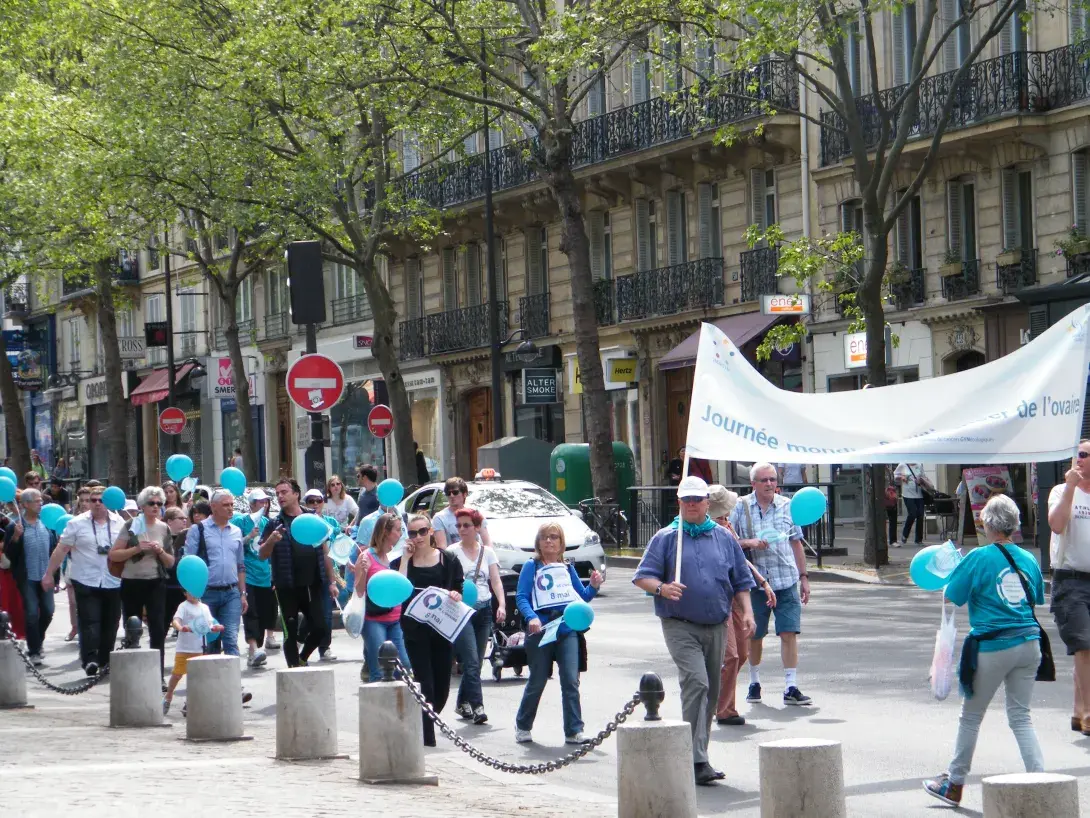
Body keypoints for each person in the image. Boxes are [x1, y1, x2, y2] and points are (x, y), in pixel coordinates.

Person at [923, 494, 1045, 807]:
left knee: (971, 717)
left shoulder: (978, 557)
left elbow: (952, 597)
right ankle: (1044, 781)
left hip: (993, 645)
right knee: (1021, 718)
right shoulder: (1029, 559)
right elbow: (1037, 599)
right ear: (1015, 525)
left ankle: (954, 782)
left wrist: (955, 569)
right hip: (1030, 644)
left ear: (987, 524)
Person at [634, 476, 755, 785]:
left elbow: (741, 579)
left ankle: (699, 753)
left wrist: (748, 614)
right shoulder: (666, 537)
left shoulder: (723, 537)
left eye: (696, 500)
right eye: (685, 500)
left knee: (712, 692)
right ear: (680, 502)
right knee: (697, 683)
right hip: (679, 624)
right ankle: (695, 759)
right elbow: (642, 577)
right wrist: (662, 588)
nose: (691, 504)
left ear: (706, 503)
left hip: (716, 623)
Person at [730, 463, 811, 708]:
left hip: (785, 579)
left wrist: (804, 577)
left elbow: (797, 543)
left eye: (773, 480)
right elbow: (730, 543)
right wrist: (751, 542)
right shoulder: (740, 507)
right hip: (755, 583)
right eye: (764, 480)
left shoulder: (788, 507)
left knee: (789, 632)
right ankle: (754, 683)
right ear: (753, 484)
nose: (769, 484)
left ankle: (790, 686)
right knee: (755, 635)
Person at [515, 522, 603, 746]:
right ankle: (523, 725)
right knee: (537, 679)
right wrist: (531, 617)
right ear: (538, 542)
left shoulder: (567, 567)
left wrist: (593, 585)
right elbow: (522, 596)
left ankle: (574, 730)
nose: (549, 541)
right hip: (541, 630)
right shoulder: (531, 566)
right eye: (544, 537)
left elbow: (581, 598)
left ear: (561, 543)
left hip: (566, 629)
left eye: (554, 537)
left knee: (570, 681)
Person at [706, 484, 776, 727]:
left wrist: (763, 582)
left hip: (737, 596)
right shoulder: (708, 533)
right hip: (718, 600)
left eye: (726, 514)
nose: (726, 518)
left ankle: (717, 696)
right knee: (731, 655)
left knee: (742, 654)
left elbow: (741, 561)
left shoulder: (727, 529)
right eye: (721, 514)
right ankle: (723, 708)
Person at [392, 513, 464, 746]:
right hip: (415, 630)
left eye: (423, 531)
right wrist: (405, 558)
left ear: (431, 531)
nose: (418, 537)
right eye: (413, 533)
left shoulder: (448, 559)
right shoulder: (403, 561)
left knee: (442, 687)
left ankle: (424, 720)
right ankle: (427, 738)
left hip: (442, 629)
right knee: (425, 683)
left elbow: (458, 587)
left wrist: (456, 594)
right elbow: (398, 588)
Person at [42, 486, 123, 676]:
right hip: (85, 580)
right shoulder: (77, 523)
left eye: (100, 500)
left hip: (113, 581)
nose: (96, 503)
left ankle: (105, 660)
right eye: (92, 500)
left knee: (111, 623)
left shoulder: (120, 522)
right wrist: (49, 574)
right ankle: (90, 660)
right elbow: (61, 549)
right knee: (90, 622)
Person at [258, 479, 337, 668]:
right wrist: (271, 541)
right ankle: (294, 668)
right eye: (277, 493)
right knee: (290, 632)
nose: (280, 496)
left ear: (296, 494)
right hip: (287, 586)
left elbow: (326, 552)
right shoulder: (275, 523)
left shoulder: (313, 518)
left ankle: (302, 658)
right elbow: (262, 554)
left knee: (320, 628)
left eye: (284, 492)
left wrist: (332, 581)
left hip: (313, 584)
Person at [447, 506, 506, 724]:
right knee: (471, 662)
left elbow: (495, 580)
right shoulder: (452, 552)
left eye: (466, 525)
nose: (462, 529)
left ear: (477, 528)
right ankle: (478, 706)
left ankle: (462, 702)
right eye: (459, 525)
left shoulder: (487, 552)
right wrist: (452, 592)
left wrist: (502, 604)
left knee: (477, 661)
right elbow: (446, 583)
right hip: (463, 613)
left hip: (484, 610)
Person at [109, 486, 174, 678]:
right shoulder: (132, 525)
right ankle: (132, 675)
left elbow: (171, 562)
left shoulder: (164, 528)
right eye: (151, 503)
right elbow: (114, 554)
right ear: (142, 506)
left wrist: (160, 551)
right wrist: (137, 549)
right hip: (132, 581)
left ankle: (157, 675)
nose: (155, 507)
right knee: (132, 627)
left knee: (158, 628)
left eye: (159, 504)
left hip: (156, 582)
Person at [1048, 440, 1090, 735]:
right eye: (1080, 454)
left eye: (1086, 455)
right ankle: (1089, 711)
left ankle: (1078, 711)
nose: (1082, 459)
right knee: (1084, 645)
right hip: (1071, 578)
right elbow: (1056, 524)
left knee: (1085, 650)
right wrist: (1071, 488)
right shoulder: (1062, 492)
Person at [183, 489, 247, 659]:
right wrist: (192, 595)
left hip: (231, 593)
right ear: (213, 507)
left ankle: (232, 682)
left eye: (232, 504)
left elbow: (241, 565)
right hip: (206, 594)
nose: (230, 508)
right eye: (226, 505)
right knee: (210, 641)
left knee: (231, 639)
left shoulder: (236, 531)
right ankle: (212, 683)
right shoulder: (198, 530)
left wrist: (243, 594)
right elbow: (188, 563)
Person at [351, 512, 412, 681]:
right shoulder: (366, 556)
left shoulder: (392, 555)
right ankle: (378, 706)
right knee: (379, 668)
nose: (401, 534)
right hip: (373, 619)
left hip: (394, 618)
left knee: (404, 665)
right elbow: (359, 591)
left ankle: (397, 704)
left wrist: (406, 559)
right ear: (386, 532)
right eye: (398, 530)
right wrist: (363, 571)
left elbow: (399, 585)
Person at [3, 489, 56, 666]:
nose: (40, 503)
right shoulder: (16, 526)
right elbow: (10, 555)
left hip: (45, 577)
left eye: (41, 500)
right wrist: (16, 538)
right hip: (27, 578)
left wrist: (53, 575)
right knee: (32, 613)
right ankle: (34, 650)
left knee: (48, 611)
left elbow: (54, 552)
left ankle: (37, 641)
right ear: (25, 504)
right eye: (36, 501)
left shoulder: (46, 525)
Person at [163, 589, 224, 715]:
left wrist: (216, 628)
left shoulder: (205, 608)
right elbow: (176, 620)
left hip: (200, 648)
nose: (192, 593)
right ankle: (168, 696)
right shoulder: (183, 606)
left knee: (198, 678)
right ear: (185, 593)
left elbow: (209, 625)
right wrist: (181, 628)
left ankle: (190, 702)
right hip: (184, 648)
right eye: (189, 591)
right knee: (177, 674)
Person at [237, 488, 275, 667]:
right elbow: (234, 545)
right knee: (250, 612)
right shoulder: (241, 521)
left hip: (265, 575)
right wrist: (249, 536)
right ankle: (253, 649)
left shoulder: (269, 523)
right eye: (260, 501)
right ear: (251, 504)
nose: (263, 505)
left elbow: (273, 549)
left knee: (265, 613)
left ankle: (257, 645)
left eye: (265, 501)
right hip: (248, 574)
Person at [302, 488, 340, 661]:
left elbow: (339, 546)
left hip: (328, 572)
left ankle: (324, 647)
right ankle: (299, 641)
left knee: (326, 612)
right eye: (311, 501)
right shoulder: (302, 522)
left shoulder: (331, 522)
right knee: (310, 612)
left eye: (318, 500)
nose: (315, 504)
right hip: (306, 573)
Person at [432, 477, 492, 550]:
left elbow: (487, 542)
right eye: (448, 493)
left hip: (475, 558)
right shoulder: (439, 518)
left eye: (455, 492)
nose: (451, 496)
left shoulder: (475, 514)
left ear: (465, 494)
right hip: (453, 559)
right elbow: (442, 547)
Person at [162, 505, 192, 638]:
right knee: (161, 628)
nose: (184, 521)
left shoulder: (188, 536)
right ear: (169, 521)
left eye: (185, 518)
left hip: (183, 588)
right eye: (180, 518)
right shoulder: (163, 538)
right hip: (166, 587)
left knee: (186, 630)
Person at [0, 505, 26, 643]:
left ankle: (18, 631)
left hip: (11, 568)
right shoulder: (7, 519)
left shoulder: (11, 522)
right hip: (5, 568)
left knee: (16, 602)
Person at [894, 461, 932, 545]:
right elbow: (895, 475)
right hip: (907, 494)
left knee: (920, 515)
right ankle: (905, 534)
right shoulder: (903, 465)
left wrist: (921, 480)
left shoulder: (919, 465)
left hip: (919, 494)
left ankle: (918, 540)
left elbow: (924, 477)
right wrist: (902, 478)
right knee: (912, 514)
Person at [884, 465, 899, 548]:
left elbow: (893, 483)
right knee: (881, 521)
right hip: (882, 498)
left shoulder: (890, 471)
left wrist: (894, 493)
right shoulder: (875, 470)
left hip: (891, 497)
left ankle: (893, 540)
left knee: (893, 519)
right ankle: (882, 539)